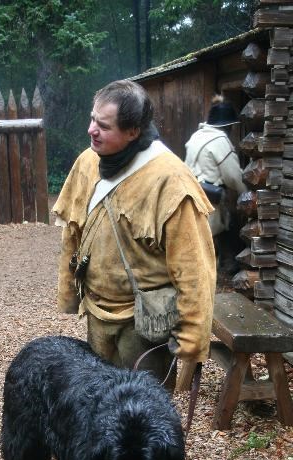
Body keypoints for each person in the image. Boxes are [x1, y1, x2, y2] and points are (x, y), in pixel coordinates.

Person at [53, 80, 216, 392]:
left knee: (144, 413)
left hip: (145, 325)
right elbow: (72, 233)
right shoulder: (87, 162)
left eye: (103, 125)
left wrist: (192, 342)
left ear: (133, 132)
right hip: (97, 312)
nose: (91, 130)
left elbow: (196, 269)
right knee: (98, 404)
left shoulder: (171, 181)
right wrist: (68, 294)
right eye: (92, 119)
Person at [185, 94, 247, 274]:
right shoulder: (219, 140)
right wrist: (247, 193)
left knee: (209, 233)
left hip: (193, 191)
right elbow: (233, 177)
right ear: (227, 125)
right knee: (223, 229)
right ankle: (226, 269)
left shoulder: (197, 136)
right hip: (210, 195)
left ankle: (222, 268)